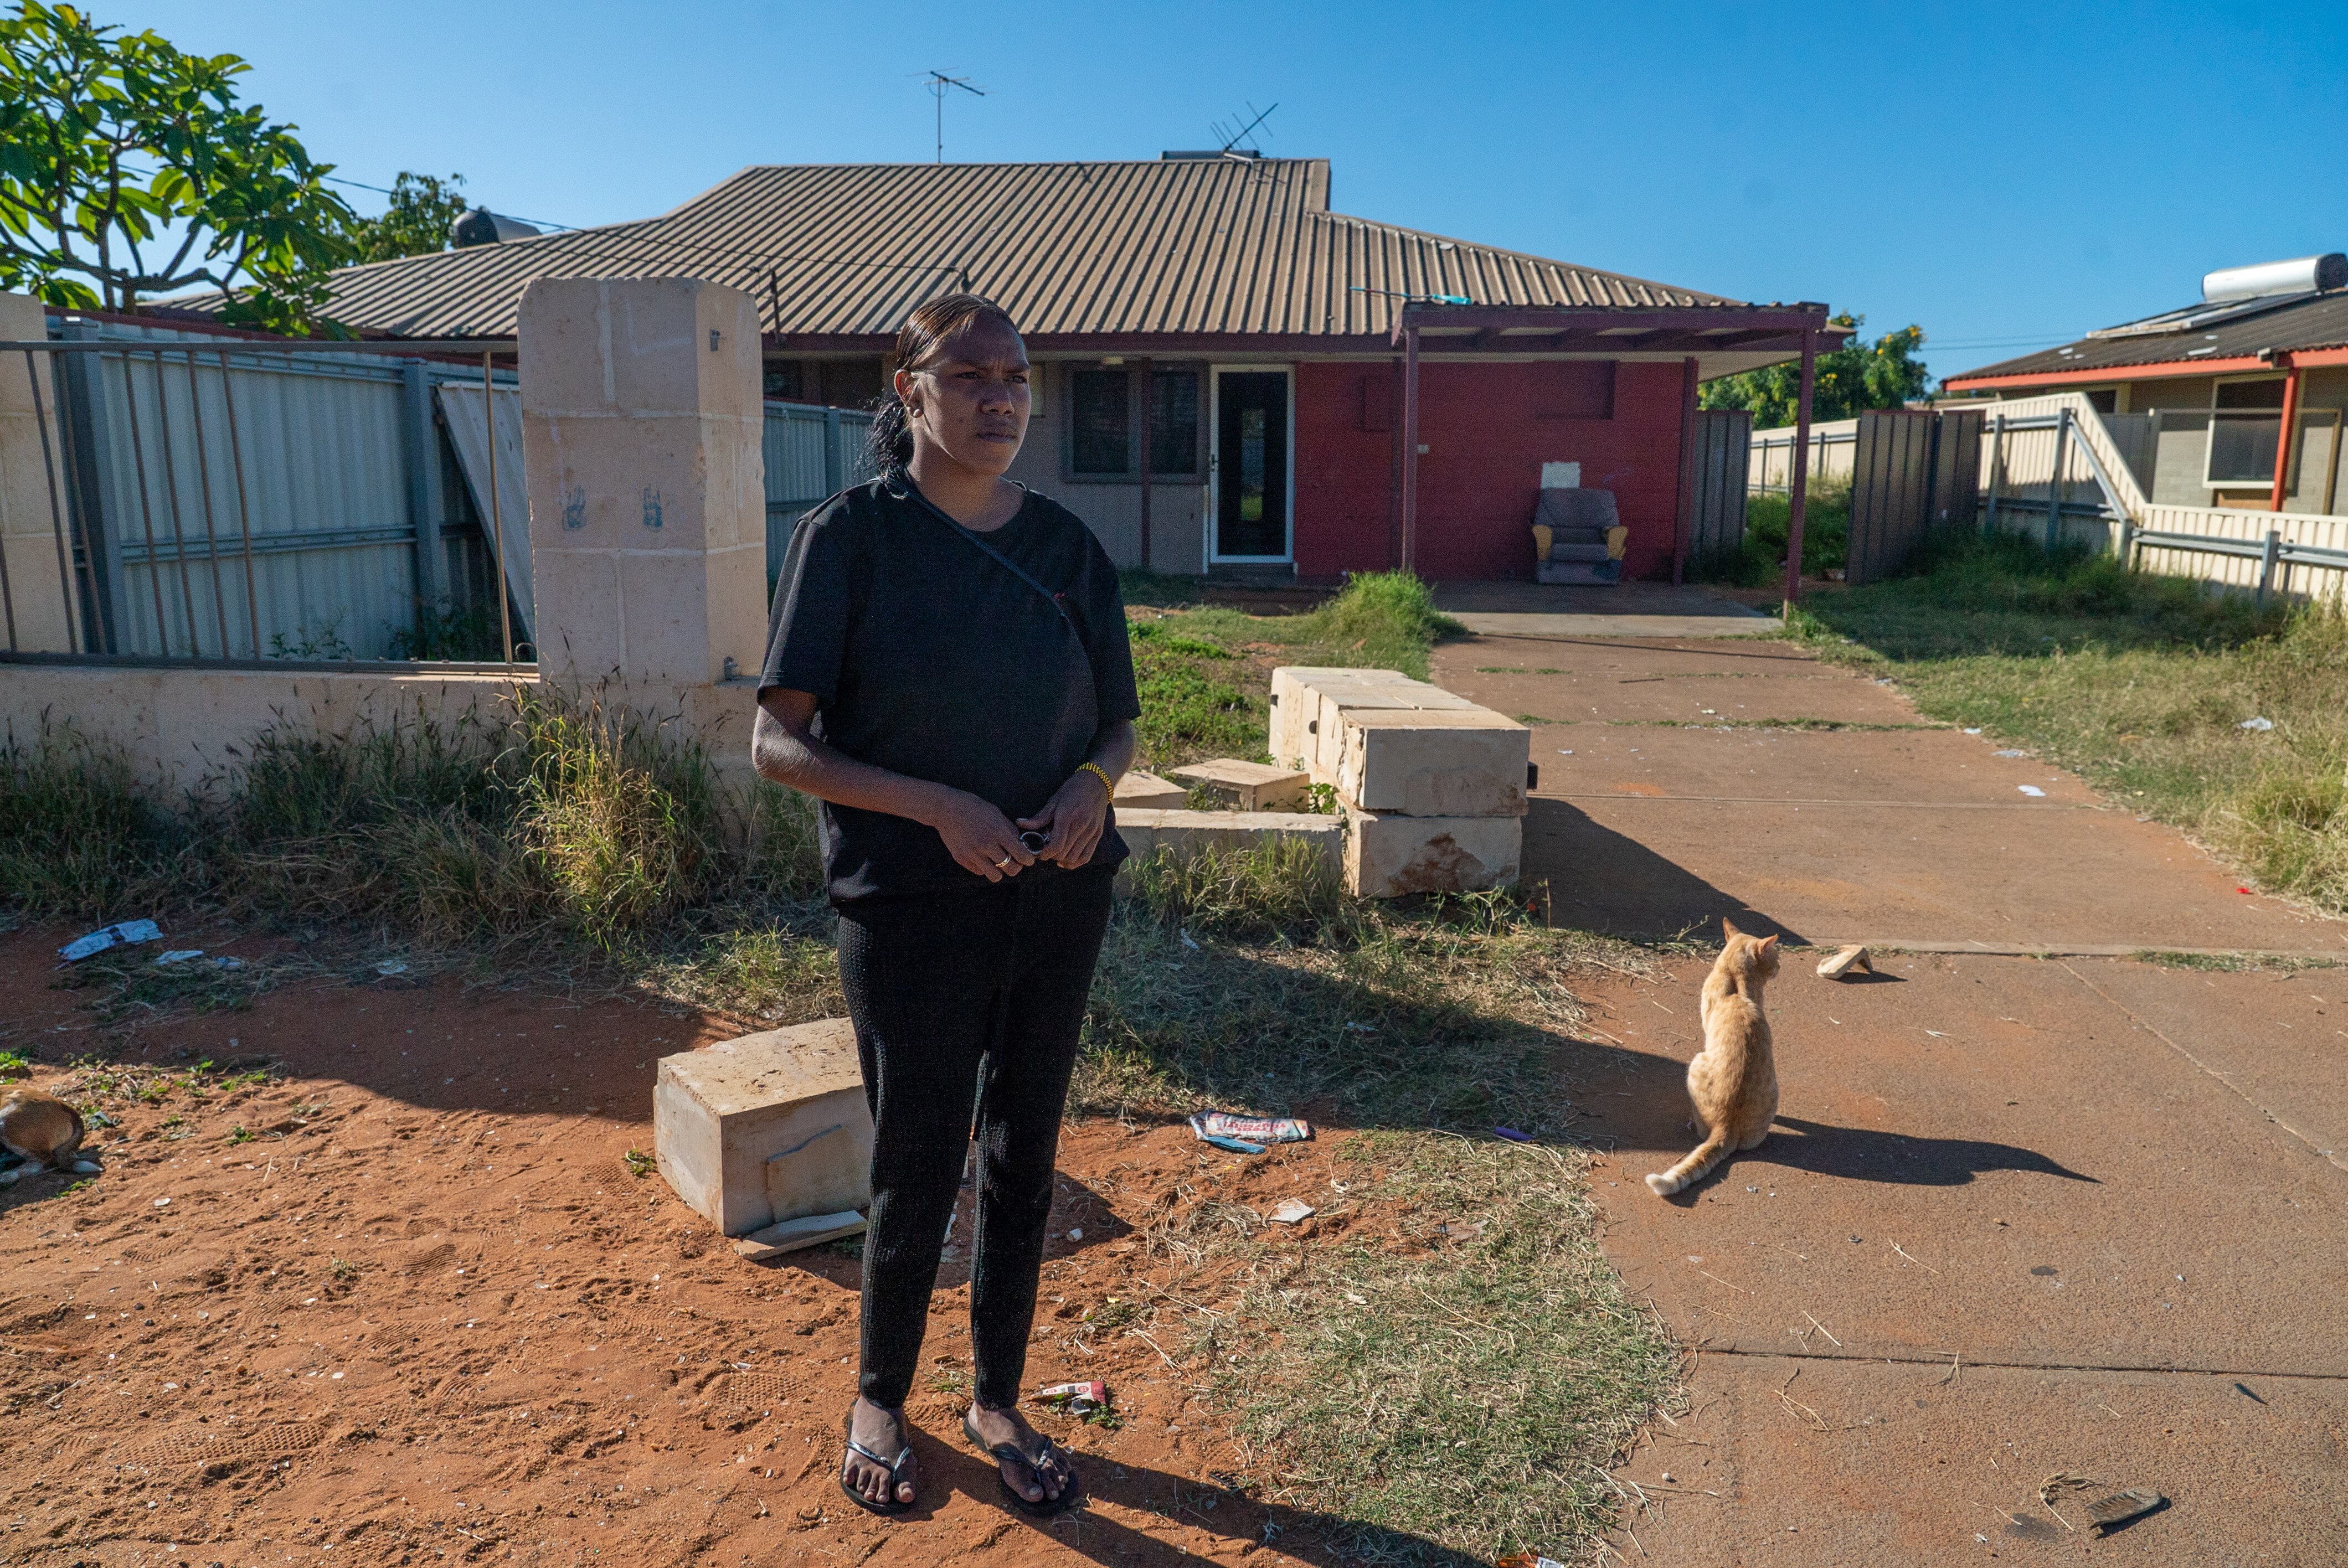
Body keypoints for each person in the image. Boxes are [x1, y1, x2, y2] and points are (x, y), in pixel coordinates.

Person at [750, 295, 1139, 1518]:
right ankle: (879, 1395)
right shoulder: (850, 539)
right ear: (907, 390)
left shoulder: (1069, 551)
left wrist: (1088, 787)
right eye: (968, 376)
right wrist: (938, 809)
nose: (1000, 399)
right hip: (911, 904)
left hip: (1056, 896)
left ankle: (996, 1400)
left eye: (1016, 377)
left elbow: (1120, 724)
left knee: (1023, 1156)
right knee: (916, 1162)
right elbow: (776, 742)